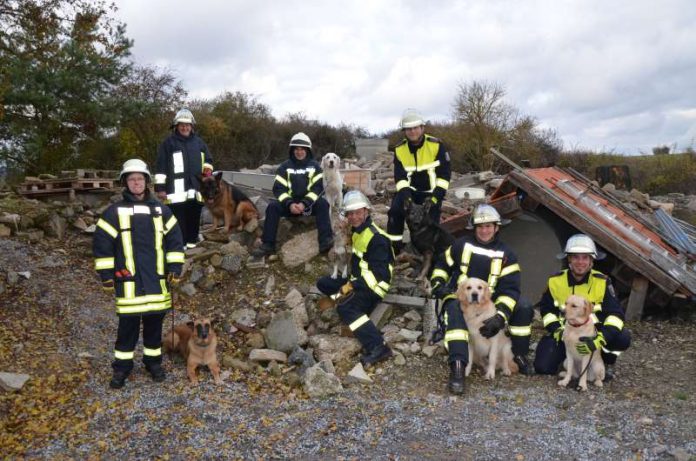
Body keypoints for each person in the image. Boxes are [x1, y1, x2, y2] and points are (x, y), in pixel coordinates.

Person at [93, 159, 185, 389]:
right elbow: (102, 246)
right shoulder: (113, 213)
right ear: (125, 182)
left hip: (157, 282)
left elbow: (175, 242)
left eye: (140, 178)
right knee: (127, 330)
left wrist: (175, 269)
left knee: (154, 327)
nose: (136, 183)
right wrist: (106, 274)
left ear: (147, 182)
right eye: (132, 179)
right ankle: (122, 369)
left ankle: (153, 363)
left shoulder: (161, 211)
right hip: (129, 283)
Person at [430, 204, 534, 394]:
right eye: (480, 226)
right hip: (461, 298)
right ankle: (459, 367)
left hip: (490, 302)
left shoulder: (507, 254)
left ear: (496, 227)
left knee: (525, 307)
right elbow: (443, 264)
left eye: (489, 226)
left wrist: (500, 317)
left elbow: (510, 289)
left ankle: (518, 355)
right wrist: (438, 283)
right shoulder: (461, 245)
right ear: (474, 228)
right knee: (453, 310)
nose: (484, 230)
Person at [534, 234, 631, 380]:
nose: (580, 262)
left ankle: (605, 361)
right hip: (565, 335)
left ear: (592, 261)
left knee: (622, 337)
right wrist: (558, 331)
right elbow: (547, 311)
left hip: (592, 336)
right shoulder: (556, 281)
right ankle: (568, 363)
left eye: (585, 257)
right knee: (543, 367)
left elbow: (616, 315)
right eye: (576, 257)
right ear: (569, 260)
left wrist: (600, 338)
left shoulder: (602, 282)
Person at [316, 190, 394, 367]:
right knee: (323, 283)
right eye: (350, 213)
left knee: (345, 307)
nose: (354, 217)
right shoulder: (358, 231)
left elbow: (380, 275)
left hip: (374, 287)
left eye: (358, 212)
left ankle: (378, 347)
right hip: (357, 280)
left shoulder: (377, 238)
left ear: (366, 211)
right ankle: (341, 297)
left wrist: (350, 286)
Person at [251, 132, 333, 257]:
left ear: (307, 150)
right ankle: (268, 245)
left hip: (308, 206)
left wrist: (304, 204)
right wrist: (289, 204)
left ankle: (325, 242)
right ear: (292, 150)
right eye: (296, 149)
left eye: (302, 149)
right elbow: (278, 189)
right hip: (289, 206)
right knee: (272, 207)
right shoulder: (284, 167)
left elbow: (317, 189)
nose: (299, 152)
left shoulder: (315, 166)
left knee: (323, 204)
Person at [387, 109, 451, 253]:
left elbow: (444, 176)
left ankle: (428, 254)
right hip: (409, 191)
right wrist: (406, 198)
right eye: (408, 129)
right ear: (404, 131)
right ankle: (395, 249)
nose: (412, 131)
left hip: (431, 192)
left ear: (422, 128)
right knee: (395, 212)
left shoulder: (436, 145)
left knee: (430, 221)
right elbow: (400, 178)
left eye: (415, 128)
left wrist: (434, 199)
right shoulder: (400, 149)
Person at [154, 108, 213, 249]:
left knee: (194, 218)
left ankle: (192, 245)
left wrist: (208, 169)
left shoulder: (199, 143)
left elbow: (209, 160)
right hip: (175, 193)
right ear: (176, 126)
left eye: (187, 125)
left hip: (196, 190)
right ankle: (180, 247)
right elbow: (160, 167)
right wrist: (160, 188)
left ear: (191, 126)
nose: (185, 127)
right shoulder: (168, 143)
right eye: (182, 125)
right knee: (177, 221)